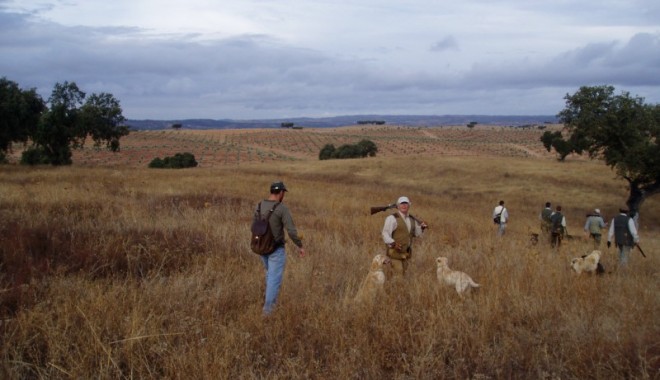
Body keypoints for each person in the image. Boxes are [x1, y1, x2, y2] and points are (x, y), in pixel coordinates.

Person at [254, 181, 305, 315]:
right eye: (284, 193)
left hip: (261, 247)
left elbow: (254, 227)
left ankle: (270, 303)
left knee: (270, 276)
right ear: (281, 193)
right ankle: (268, 312)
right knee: (273, 279)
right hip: (276, 249)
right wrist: (300, 245)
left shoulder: (259, 206)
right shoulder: (282, 208)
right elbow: (292, 231)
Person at [381, 196, 428, 277]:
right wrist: (393, 243)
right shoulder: (392, 218)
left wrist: (422, 228)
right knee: (398, 277)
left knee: (403, 276)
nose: (404, 206)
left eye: (406, 204)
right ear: (397, 206)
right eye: (401, 204)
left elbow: (415, 233)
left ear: (409, 206)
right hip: (394, 254)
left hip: (405, 254)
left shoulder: (411, 219)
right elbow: (385, 233)